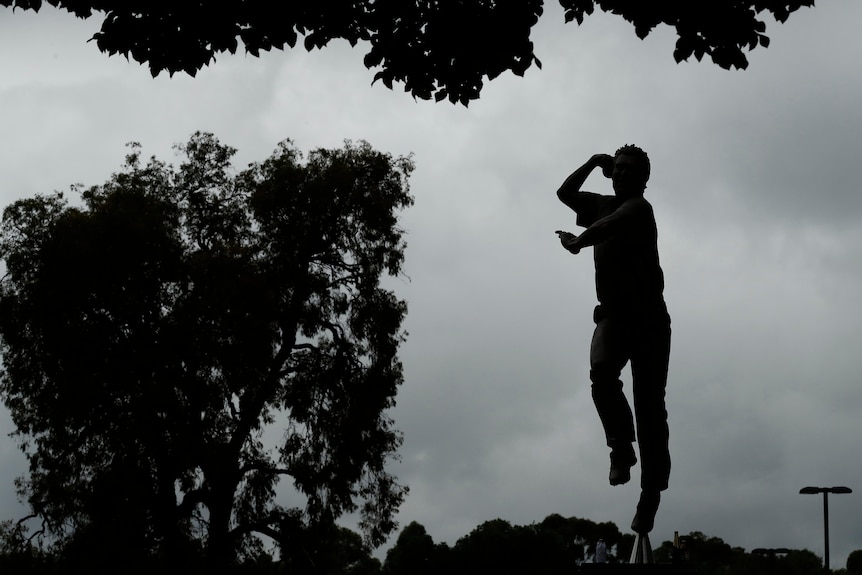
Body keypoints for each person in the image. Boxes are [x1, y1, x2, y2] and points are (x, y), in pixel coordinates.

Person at [554, 145, 671, 534]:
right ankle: (620, 447)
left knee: (650, 409)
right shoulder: (602, 203)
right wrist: (591, 161)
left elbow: (610, 227)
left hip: (649, 320)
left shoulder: (639, 209)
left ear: (642, 179)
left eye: (628, 171)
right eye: (616, 169)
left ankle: (649, 495)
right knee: (601, 372)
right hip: (615, 315)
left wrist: (578, 242)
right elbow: (565, 194)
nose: (620, 175)